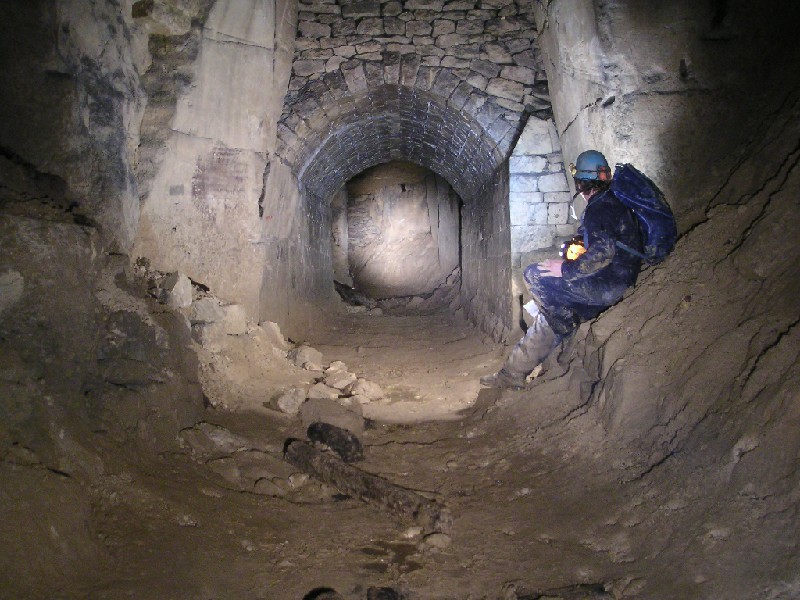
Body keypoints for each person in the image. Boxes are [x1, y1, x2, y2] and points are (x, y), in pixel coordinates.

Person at [481, 150, 643, 389]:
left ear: (581, 183)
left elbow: (603, 252)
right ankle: (512, 372)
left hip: (608, 286)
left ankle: (560, 326)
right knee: (549, 314)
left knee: (535, 275)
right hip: (616, 278)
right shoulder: (611, 203)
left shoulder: (600, 208)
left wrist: (566, 270)